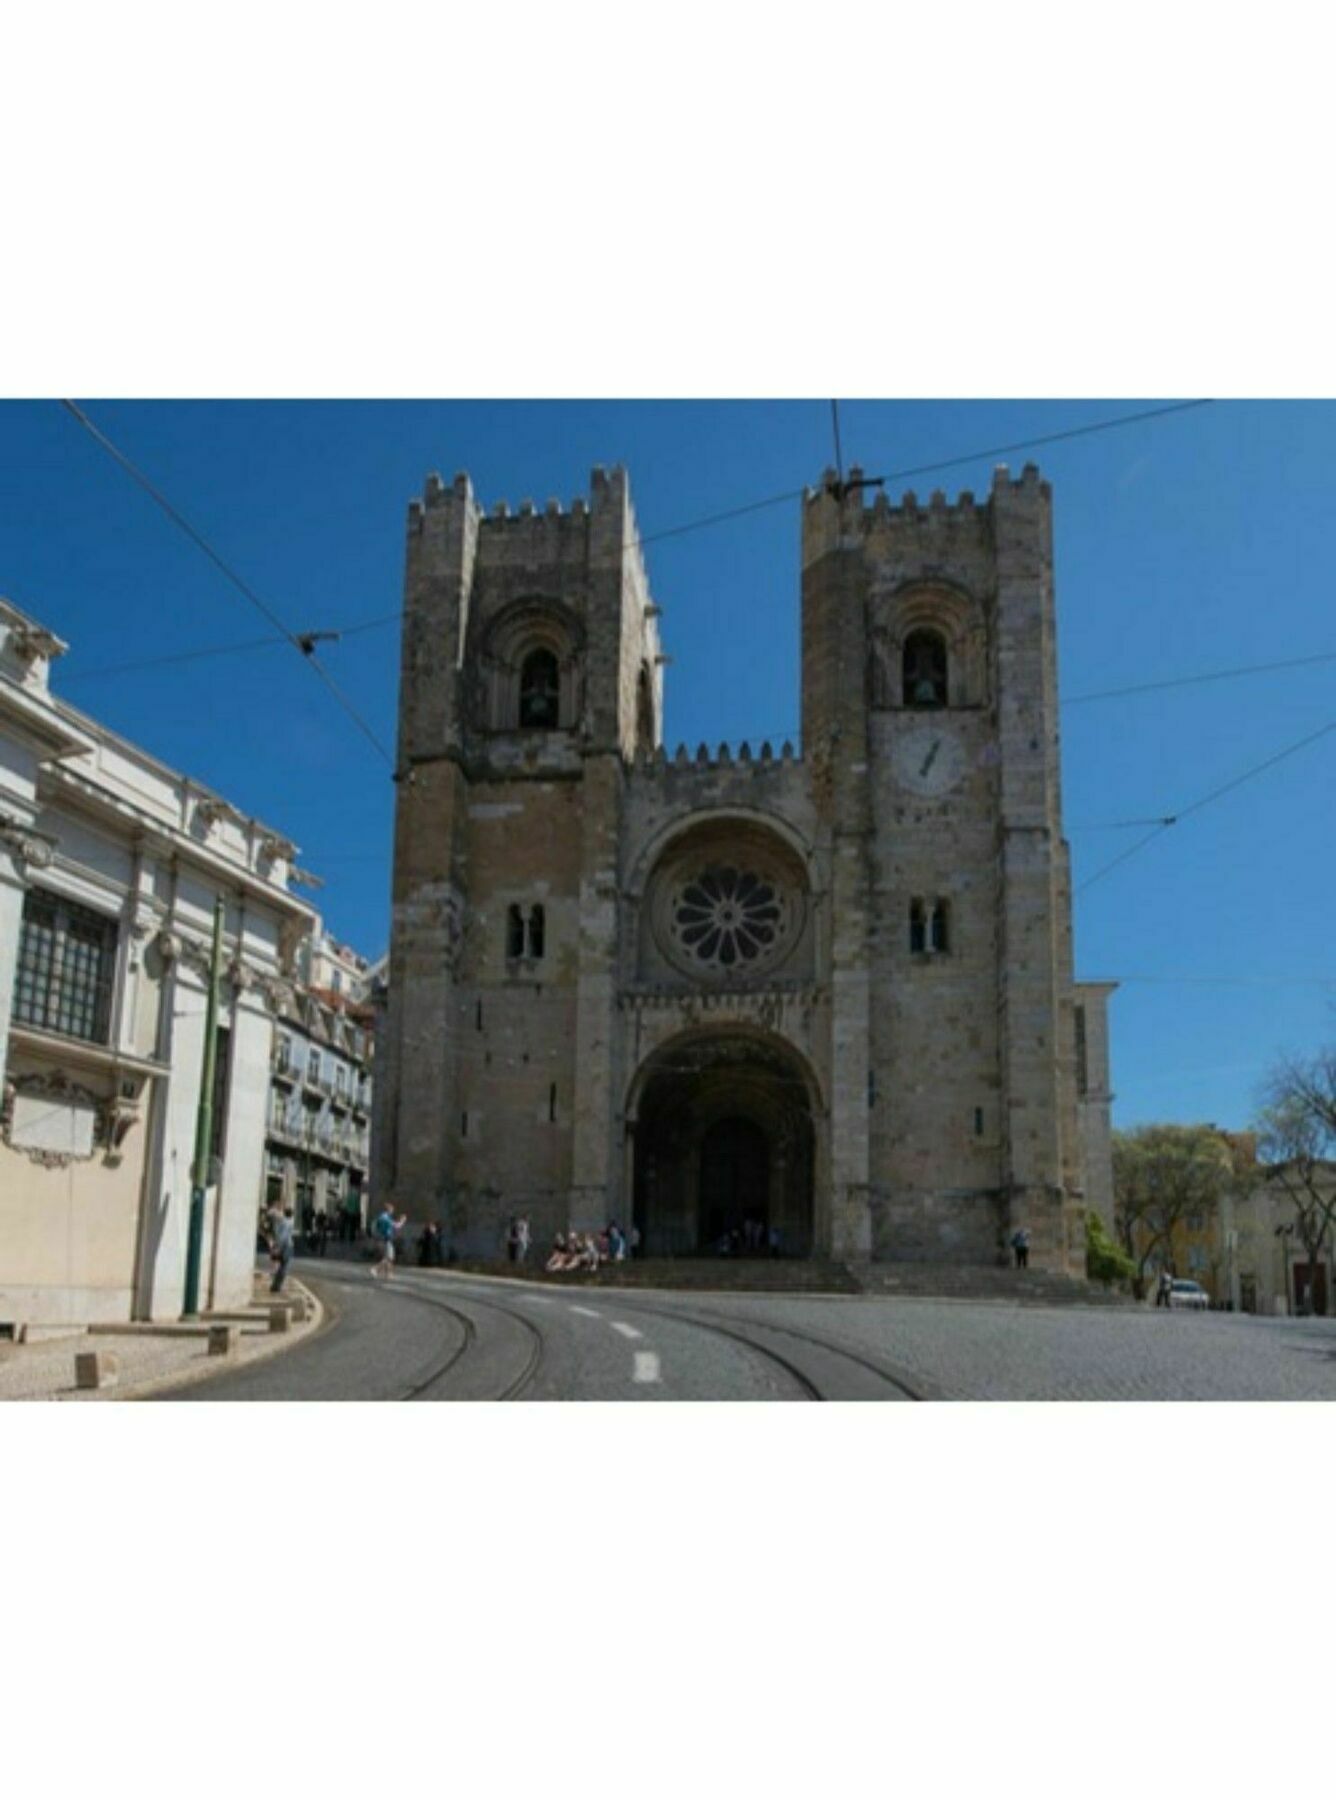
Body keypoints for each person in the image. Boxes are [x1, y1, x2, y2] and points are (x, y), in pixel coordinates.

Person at [371, 1204, 407, 1280]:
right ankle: (376, 1269)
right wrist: (402, 1221)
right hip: (386, 1239)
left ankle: (388, 1274)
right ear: (388, 1210)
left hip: (380, 1239)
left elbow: (375, 1227)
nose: (392, 1212)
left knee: (388, 1257)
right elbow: (396, 1226)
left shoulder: (381, 1217)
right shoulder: (386, 1218)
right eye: (391, 1210)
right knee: (389, 1257)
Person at [269, 1206, 295, 1293]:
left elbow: (278, 1234)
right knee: (284, 1267)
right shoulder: (288, 1223)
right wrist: (279, 1247)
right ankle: (277, 1286)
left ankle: (275, 1285)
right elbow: (283, 1237)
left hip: (283, 1245)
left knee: (282, 1266)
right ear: (291, 1214)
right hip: (286, 1246)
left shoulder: (283, 1222)